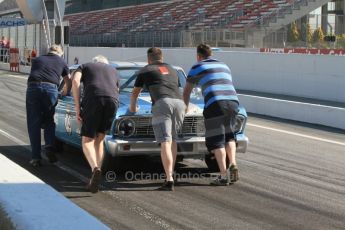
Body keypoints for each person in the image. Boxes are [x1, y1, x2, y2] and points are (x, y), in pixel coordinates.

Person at [129, 47, 186, 191]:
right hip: (179, 103)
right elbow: (176, 88)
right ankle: (170, 174)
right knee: (172, 140)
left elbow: (135, 92)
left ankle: (169, 179)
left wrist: (133, 108)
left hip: (162, 103)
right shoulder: (172, 69)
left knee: (165, 141)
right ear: (162, 57)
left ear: (149, 59)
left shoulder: (146, 69)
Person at [183, 43, 240, 186]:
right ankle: (232, 163)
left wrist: (184, 108)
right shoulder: (224, 65)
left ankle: (222, 175)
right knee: (230, 137)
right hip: (233, 102)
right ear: (211, 54)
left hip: (216, 103)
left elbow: (187, 91)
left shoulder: (197, 66)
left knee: (217, 141)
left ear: (198, 56)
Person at [72, 55, 120, 193]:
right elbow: (117, 90)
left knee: (87, 140)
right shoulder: (113, 70)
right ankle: (95, 179)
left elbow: (75, 82)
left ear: (95, 62)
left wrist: (77, 107)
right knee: (100, 140)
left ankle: (95, 169)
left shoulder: (85, 66)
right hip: (113, 101)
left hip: (94, 99)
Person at [26, 44, 71, 167]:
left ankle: (36, 158)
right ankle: (49, 146)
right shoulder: (62, 61)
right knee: (49, 120)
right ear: (60, 53)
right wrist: (64, 93)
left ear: (49, 51)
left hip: (33, 87)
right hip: (51, 88)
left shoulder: (38, 59)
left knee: (33, 123)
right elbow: (68, 81)